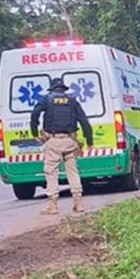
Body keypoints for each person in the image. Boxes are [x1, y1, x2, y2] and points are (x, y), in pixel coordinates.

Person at [30, 77, 93, 215]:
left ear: (52, 89)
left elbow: (35, 114)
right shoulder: (72, 100)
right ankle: (78, 203)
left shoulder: (46, 99)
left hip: (53, 140)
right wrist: (89, 140)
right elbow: (83, 120)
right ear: (64, 89)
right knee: (73, 171)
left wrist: (35, 132)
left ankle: (53, 206)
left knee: (51, 172)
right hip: (70, 140)